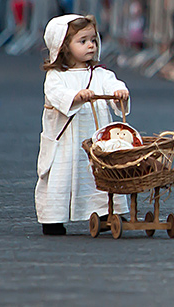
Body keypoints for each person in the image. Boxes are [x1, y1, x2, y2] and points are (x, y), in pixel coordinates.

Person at [35, 14, 130, 235]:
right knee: (61, 173)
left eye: (93, 40)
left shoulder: (101, 74)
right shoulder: (56, 75)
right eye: (83, 41)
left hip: (95, 135)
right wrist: (76, 96)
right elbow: (57, 94)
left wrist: (119, 93)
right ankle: (54, 217)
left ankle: (105, 212)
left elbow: (113, 85)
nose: (91, 46)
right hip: (65, 138)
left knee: (98, 172)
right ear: (64, 46)